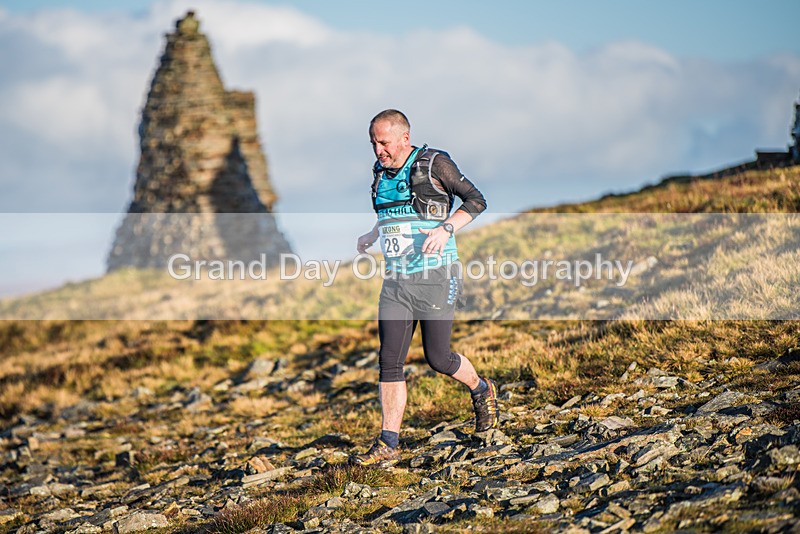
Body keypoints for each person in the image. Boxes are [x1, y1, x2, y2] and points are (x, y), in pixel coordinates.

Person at [352, 109, 499, 467]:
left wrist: (446, 229)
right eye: (373, 143)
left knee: (438, 358)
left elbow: (476, 200)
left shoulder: (434, 163)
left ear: (404, 137)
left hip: (436, 276)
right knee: (389, 361)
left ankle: (482, 388)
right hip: (397, 282)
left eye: (384, 142)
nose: (378, 150)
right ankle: (388, 442)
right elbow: (392, 212)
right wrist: (373, 232)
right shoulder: (379, 172)